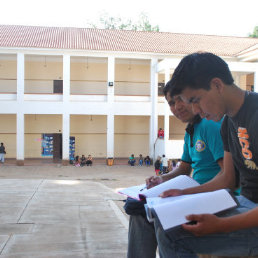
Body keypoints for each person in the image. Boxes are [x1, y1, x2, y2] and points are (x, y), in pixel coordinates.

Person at [154, 52, 258, 257]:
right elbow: (226, 178)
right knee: (165, 219)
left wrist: (221, 225)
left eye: (196, 100)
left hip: (251, 212)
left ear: (217, 85)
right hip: (245, 203)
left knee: (173, 235)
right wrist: (183, 195)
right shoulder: (228, 123)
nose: (195, 110)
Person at [127, 81, 225, 258]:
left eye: (181, 99)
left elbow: (228, 176)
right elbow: (184, 168)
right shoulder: (191, 130)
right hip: (194, 192)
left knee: (161, 217)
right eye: (171, 102)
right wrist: (162, 180)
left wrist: (185, 192)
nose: (177, 106)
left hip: (212, 195)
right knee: (137, 208)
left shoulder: (210, 125)